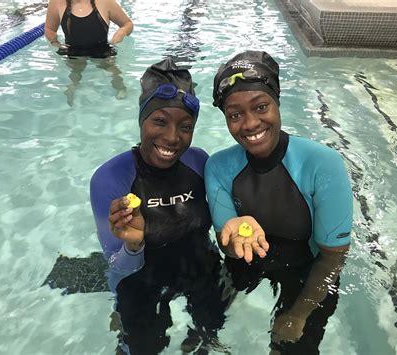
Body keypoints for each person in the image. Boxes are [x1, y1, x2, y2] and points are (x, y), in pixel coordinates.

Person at [205, 50, 353, 354]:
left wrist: (299, 313)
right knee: (205, 329)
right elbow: (229, 247)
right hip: (246, 264)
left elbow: (333, 257)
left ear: (277, 102)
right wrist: (232, 236)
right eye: (235, 114)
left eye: (260, 107)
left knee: (289, 345)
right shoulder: (218, 167)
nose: (249, 123)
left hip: (308, 270)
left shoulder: (322, 163)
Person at [90, 58, 229, 355]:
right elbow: (116, 272)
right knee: (142, 346)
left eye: (185, 126)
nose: (172, 137)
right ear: (142, 119)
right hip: (140, 278)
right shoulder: (110, 179)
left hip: (198, 267)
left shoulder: (200, 162)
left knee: (211, 330)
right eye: (160, 121)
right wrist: (134, 245)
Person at [44, 0, 134, 104]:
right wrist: (55, 42)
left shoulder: (104, 2)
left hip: (101, 49)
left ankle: (121, 88)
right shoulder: (57, 2)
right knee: (75, 74)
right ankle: (71, 90)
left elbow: (128, 24)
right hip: (74, 50)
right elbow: (49, 28)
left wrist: (121, 32)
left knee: (113, 71)